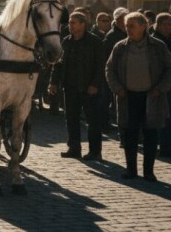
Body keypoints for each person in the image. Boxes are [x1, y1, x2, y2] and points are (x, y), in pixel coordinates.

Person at [106, 12, 171, 181]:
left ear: (144, 26)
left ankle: (148, 172)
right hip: (128, 97)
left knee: (150, 135)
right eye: (127, 26)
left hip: (152, 97)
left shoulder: (158, 46)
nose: (129, 29)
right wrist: (118, 89)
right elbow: (109, 69)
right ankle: (131, 170)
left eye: (132, 26)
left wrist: (160, 89)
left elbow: (169, 69)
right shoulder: (120, 47)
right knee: (130, 135)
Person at [49, 12, 105, 160]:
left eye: (73, 23)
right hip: (70, 88)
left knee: (93, 121)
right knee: (71, 119)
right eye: (70, 23)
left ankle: (95, 151)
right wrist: (53, 82)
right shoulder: (66, 42)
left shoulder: (95, 42)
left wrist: (94, 84)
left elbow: (100, 66)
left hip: (89, 89)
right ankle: (74, 148)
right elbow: (58, 65)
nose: (70, 26)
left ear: (83, 24)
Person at [154, 13, 171, 157]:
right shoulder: (154, 41)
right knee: (162, 117)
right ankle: (163, 146)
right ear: (158, 25)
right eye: (165, 24)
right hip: (157, 84)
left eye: (169, 24)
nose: (167, 27)